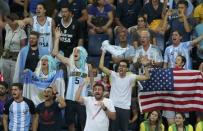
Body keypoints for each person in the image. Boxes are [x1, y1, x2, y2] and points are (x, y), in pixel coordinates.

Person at [99, 48, 150, 131]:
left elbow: (147, 77)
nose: (121, 68)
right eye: (120, 66)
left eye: (123, 66)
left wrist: (145, 66)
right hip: (113, 107)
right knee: (112, 129)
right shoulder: (113, 75)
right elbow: (101, 66)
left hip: (125, 108)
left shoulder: (131, 77)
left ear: (127, 69)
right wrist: (103, 53)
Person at [52, 28, 92, 131]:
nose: (75, 52)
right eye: (74, 51)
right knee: (70, 123)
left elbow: (92, 81)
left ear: (82, 53)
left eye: (77, 51)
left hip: (83, 99)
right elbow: (55, 53)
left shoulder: (88, 66)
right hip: (70, 98)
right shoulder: (70, 64)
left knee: (84, 123)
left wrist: (90, 90)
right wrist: (57, 38)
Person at [0, 13, 27, 85]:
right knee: (4, 78)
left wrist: (21, 60)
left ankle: (13, 94)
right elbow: (1, 24)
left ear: (13, 21)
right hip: (5, 57)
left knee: (13, 79)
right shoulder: (7, 27)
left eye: (9, 21)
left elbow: (23, 47)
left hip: (15, 59)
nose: (7, 22)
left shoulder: (22, 32)